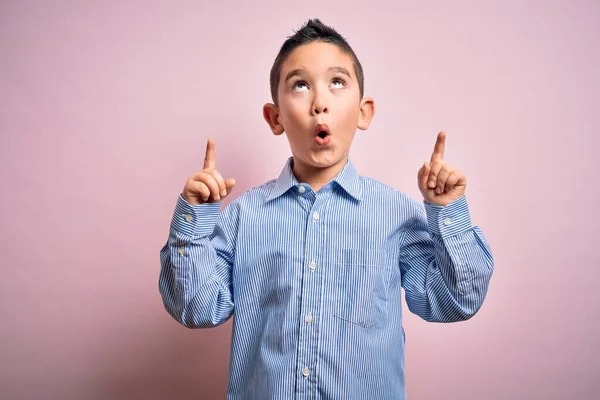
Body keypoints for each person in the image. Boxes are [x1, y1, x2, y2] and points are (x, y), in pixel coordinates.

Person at [159, 18, 494, 400]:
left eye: (337, 82)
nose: (320, 102)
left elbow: (455, 301)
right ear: (275, 118)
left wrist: (447, 213)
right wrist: (194, 223)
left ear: (364, 111)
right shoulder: (242, 218)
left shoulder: (394, 215)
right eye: (300, 85)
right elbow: (196, 308)